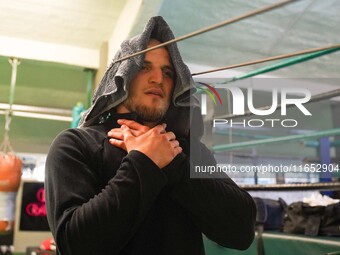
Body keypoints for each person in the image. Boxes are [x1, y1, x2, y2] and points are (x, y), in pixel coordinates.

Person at [45, 16, 256, 255]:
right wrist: (144, 161)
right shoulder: (75, 145)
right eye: (144, 67)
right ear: (122, 75)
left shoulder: (184, 150)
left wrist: (174, 166)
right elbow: (75, 245)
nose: (158, 79)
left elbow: (241, 231)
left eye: (168, 72)